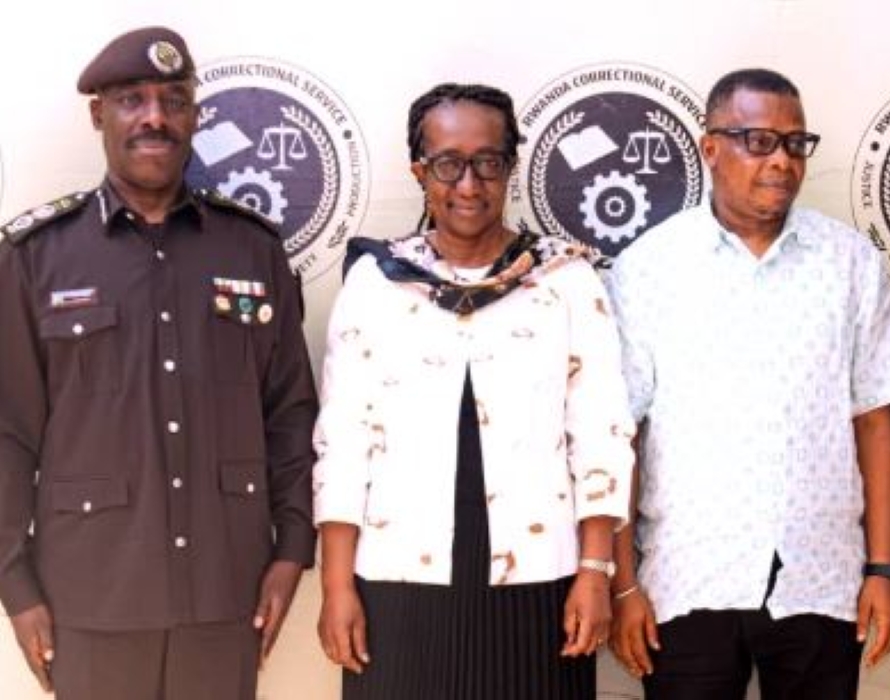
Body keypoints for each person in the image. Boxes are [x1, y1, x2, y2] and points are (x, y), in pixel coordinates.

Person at [0, 26, 318, 700]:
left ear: (194, 116)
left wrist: (292, 548)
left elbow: (290, 413)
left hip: (226, 591)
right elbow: (7, 432)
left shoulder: (251, 250)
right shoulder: (36, 258)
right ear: (98, 115)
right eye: (131, 100)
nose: (155, 118)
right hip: (90, 596)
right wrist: (15, 584)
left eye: (174, 100)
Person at [313, 82, 635, 700]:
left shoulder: (564, 279)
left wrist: (596, 572)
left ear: (510, 169)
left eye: (488, 163)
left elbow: (601, 432)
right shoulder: (377, 283)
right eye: (448, 164)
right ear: (419, 172)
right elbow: (344, 441)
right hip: (397, 579)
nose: (468, 184)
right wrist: (336, 586)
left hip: (541, 581)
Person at [605, 68, 890, 700]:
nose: (781, 162)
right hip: (688, 581)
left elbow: (875, 420)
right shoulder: (648, 269)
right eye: (758, 141)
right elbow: (620, 436)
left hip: (821, 580)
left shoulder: (848, 263)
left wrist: (881, 569)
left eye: (795, 144)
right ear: (710, 147)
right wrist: (623, 584)